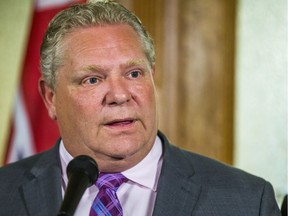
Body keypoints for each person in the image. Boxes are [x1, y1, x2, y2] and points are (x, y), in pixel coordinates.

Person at [0, 1, 281, 215]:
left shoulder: (246, 201)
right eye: (92, 79)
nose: (120, 95)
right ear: (50, 97)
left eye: (134, 74)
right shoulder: (4, 194)